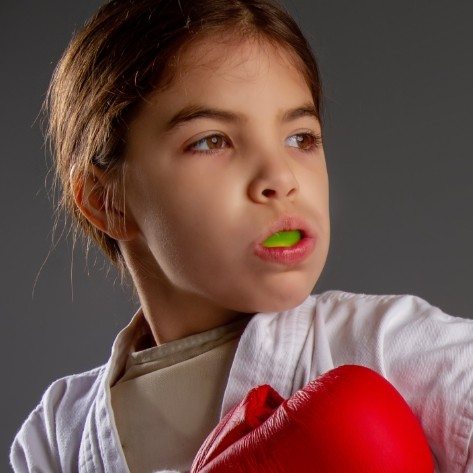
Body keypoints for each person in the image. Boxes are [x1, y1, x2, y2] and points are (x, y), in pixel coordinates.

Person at [9, 0, 473, 471]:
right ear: (107, 201)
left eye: (301, 138)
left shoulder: (389, 345)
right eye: (212, 141)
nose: (281, 176)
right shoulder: (54, 433)